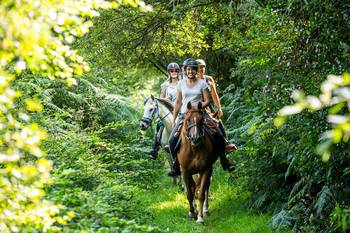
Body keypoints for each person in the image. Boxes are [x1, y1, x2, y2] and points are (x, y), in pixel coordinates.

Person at [168, 58, 232, 177]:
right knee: (171, 140)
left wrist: (197, 107)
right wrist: (174, 118)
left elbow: (208, 100)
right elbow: (178, 102)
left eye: (193, 69)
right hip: (185, 115)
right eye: (188, 69)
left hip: (201, 113)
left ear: (196, 70)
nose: (190, 72)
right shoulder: (180, 84)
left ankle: (224, 160)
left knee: (218, 133)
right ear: (185, 70)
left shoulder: (202, 83)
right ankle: (176, 166)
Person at [196, 59, 237, 153]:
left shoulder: (209, 79)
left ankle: (226, 144)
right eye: (199, 67)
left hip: (208, 107)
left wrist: (219, 108)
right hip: (196, 107)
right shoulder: (193, 80)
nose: (201, 69)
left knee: (218, 122)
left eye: (203, 67)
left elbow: (214, 95)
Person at [149, 62, 180, 159]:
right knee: (159, 124)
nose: (174, 72)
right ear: (169, 72)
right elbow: (161, 99)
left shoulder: (182, 83)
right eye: (172, 71)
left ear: (178, 72)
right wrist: (166, 98)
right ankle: (155, 147)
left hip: (180, 109)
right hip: (168, 110)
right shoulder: (165, 85)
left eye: (176, 70)